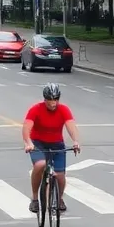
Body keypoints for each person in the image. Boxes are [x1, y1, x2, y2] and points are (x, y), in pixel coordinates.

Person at [23, 83, 81, 214]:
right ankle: (34, 198)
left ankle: (59, 198)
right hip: (38, 144)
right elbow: (26, 128)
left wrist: (76, 141)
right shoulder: (36, 109)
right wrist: (28, 142)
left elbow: (71, 126)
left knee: (60, 176)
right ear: (45, 99)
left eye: (55, 99)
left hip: (57, 144)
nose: (53, 103)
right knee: (40, 164)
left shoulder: (64, 109)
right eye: (50, 100)